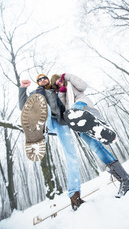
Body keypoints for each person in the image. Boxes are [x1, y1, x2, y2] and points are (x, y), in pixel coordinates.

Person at [51, 73, 129, 199]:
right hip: (79, 127)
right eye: (56, 83)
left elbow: (83, 85)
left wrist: (67, 76)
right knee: (98, 150)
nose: (59, 83)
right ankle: (125, 180)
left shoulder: (71, 84)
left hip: (84, 108)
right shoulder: (60, 96)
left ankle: (99, 125)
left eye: (59, 80)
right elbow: (62, 114)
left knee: (74, 109)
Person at [19, 74, 84, 210]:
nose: (42, 80)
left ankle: (75, 196)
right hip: (45, 122)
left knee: (71, 156)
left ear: (48, 80)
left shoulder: (56, 90)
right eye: (39, 79)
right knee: (44, 106)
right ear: (38, 83)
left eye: (44, 78)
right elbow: (23, 107)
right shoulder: (35, 93)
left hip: (60, 123)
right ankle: (40, 135)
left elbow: (68, 98)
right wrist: (22, 89)